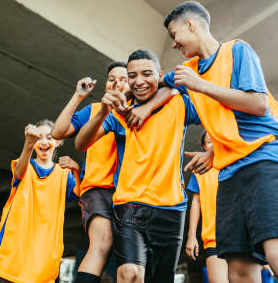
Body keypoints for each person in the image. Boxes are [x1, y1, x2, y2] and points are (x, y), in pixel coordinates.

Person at [162, 1, 278, 283]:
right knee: (240, 273)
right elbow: (161, 83)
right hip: (231, 175)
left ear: (191, 25)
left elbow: (258, 104)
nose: (174, 44)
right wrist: (142, 106)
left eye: (175, 35)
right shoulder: (189, 69)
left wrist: (198, 84)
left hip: (268, 162)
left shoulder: (237, 51)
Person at [75, 49, 200, 283]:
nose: (139, 81)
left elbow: (216, 114)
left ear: (160, 75)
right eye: (132, 76)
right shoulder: (121, 111)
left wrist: (212, 151)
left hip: (172, 208)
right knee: (130, 273)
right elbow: (81, 143)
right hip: (130, 204)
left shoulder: (180, 103)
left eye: (147, 74)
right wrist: (103, 111)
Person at [52, 62, 174, 283]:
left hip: (132, 193)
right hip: (98, 188)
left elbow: (171, 85)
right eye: (111, 79)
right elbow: (58, 132)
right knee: (103, 240)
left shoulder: (138, 110)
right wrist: (79, 96)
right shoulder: (94, 110)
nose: (117, 83)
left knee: (134, 259)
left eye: (123, 79)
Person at [0, 120, 80, 283]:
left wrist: (77, 170)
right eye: (39, 138)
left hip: (43, 259)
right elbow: (19, 172)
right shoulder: (25, 165)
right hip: (13, 252)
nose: (44, 142)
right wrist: (28, 145)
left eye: (50, 137)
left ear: (58, 141)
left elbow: (79, 195)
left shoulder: (64, 174)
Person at [185, 131, 228, 283]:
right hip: (214, 238)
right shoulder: (200, 172)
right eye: (209, 141)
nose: (213, 145)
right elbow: (196, 203)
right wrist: (191, 236)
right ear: (204, 147)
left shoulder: (237, 162)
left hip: (241, 235)